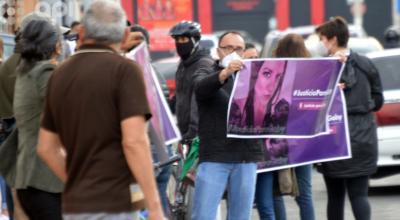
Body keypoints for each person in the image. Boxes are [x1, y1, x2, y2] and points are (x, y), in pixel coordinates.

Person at [36, 1, 164, 220]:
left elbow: (46, 148)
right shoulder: (125, 70)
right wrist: (154, 207)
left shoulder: (60, 73)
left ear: (82, 33)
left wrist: (78, 182)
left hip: (76, 205)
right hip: (117, 202)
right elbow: (134, 141)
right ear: (125, 35)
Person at [315, 16, 384, 220]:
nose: (321, 43)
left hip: (334, 139)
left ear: (333, 39)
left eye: (323, 39)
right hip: (364, 138)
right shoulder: (367, 63)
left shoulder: (322, 69)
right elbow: (378, 100)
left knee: (335, 197)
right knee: (360, 195)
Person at [191, 31, 264, 220]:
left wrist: (332, 70)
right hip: (215, 155)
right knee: (203, 214)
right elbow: (200, 88)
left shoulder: (254, 76)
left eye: (238, 48)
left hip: (246, 156)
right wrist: (225, 73)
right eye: (228, 48)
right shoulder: (207, 70)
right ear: (218, 51)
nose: (233, 52)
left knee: (241, 216)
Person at [12, 19, 64, 220]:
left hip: (28, 174)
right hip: (46, 179)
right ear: (56, 47)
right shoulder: (46, 74)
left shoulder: (25, 73)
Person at [121, 23, 172, 217]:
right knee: (157, 203)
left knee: (140, 205)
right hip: (162, 147)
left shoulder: (130, 73)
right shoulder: (154, 72)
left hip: (146, 151)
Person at [270, 34, 316, 220]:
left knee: (276, 192)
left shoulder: (274, 73)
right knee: (305, 193)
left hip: (277, 138)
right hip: (304, 138)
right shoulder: (313, 72)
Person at [169, 21, 214, 145]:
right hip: (184, 133)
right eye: (177, 40)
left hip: (199, 136)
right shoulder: (183, 65)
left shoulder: (204, 64)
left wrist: (193, 131)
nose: (179, 43)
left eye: (183, 39)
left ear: (195, 40)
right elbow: (180, 95)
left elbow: (198, 99)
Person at [229, 59, 288, 134]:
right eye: (267, 74)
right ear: (255, 74)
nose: (272, 87)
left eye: (278, 77)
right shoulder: (237, 109)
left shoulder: (279, 112)